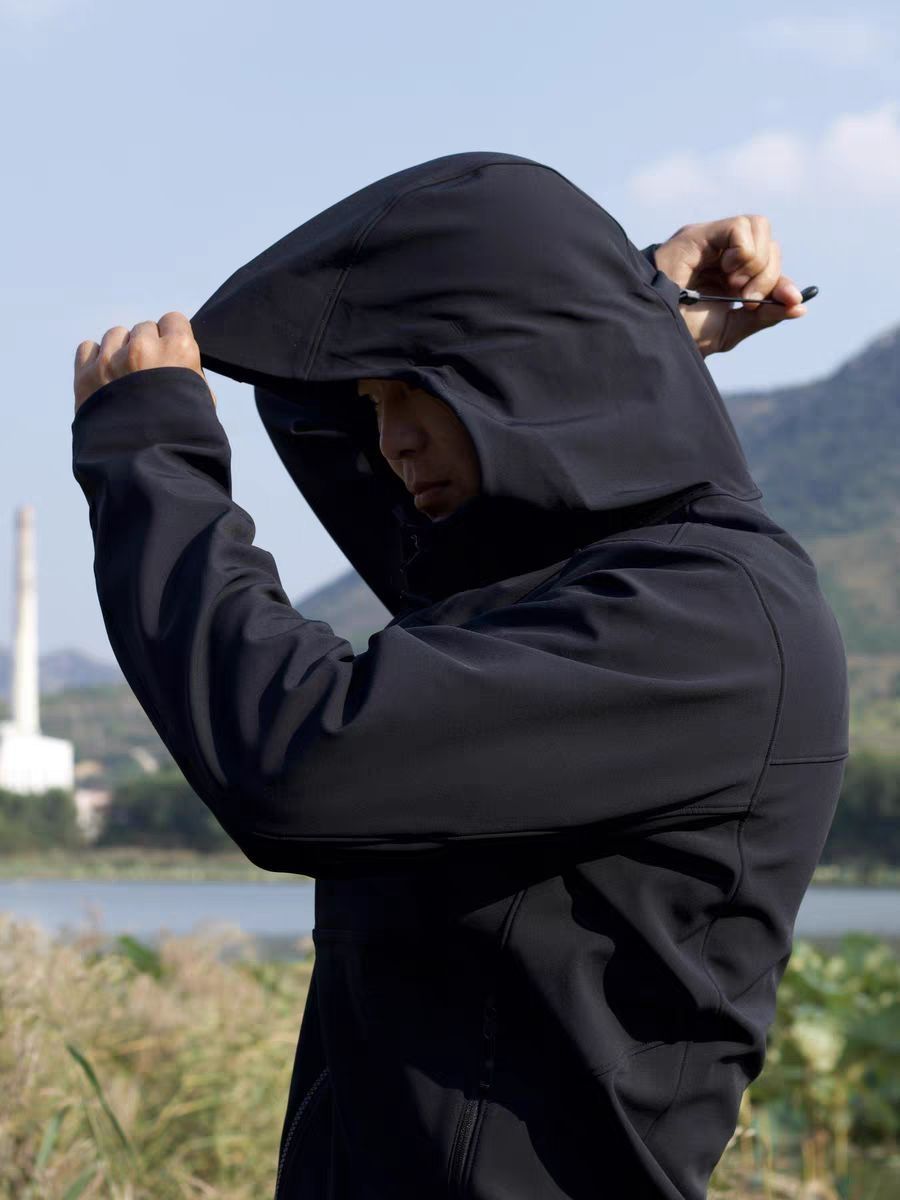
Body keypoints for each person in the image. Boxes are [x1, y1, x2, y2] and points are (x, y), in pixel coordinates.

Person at [71, 151, 847, 1200]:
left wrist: (152, 465)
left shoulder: (706, 620)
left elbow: (300, 760)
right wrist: (630, 315)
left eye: (419, 393)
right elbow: (373, 434)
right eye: (372, 400)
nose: (390, 442)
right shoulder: (555, 592)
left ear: (525, 373)